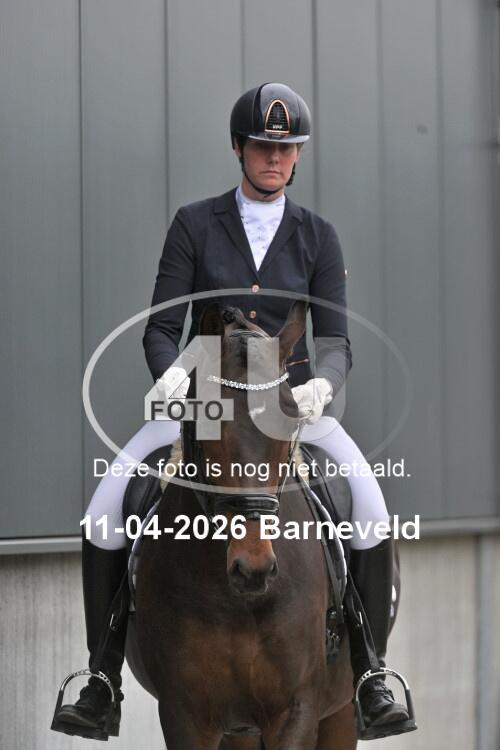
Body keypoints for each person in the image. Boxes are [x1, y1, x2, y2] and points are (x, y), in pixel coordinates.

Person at [52, 82, 414, 741]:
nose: (274, 158)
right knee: (105, 510)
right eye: (262, 146)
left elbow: (336, 342)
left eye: (286, 148)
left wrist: (322, 387)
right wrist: (170, 376)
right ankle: (101, 677)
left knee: (370, 505)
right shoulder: (195, 224)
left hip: (289, 404)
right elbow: (161, 327)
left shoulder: (318, 237)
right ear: (239, 148)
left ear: (297, 156)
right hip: (208, 401)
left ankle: (371, 672)